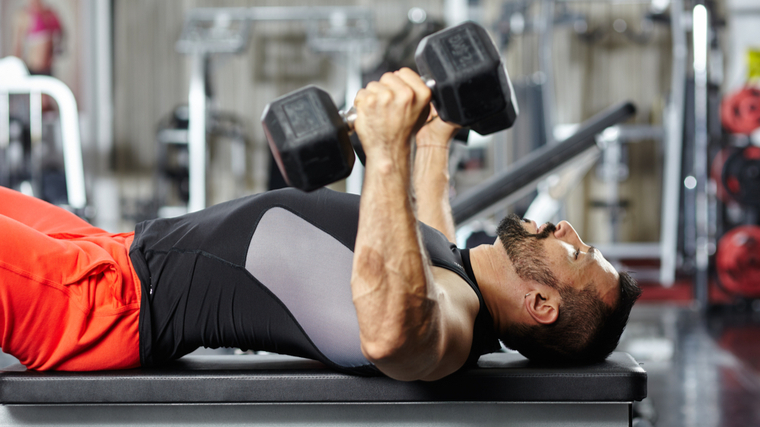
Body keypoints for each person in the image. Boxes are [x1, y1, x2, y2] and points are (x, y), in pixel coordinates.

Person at [0, 68, 641, 380]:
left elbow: (393, 334)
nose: (565, 229)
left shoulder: (449, 322)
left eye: (577, 254)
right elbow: (424, 222)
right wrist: (435, 139)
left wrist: (387, 151)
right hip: (108, 252)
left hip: (107, 302)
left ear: (540, 303)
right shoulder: (453, 270)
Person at [12, 0, 63, 77]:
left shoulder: (50, 14)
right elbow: (17, 46)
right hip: (34, 68)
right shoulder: (24, 15)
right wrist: (15, 70)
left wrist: (55, 52)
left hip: (49, 69)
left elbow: (60, 36)